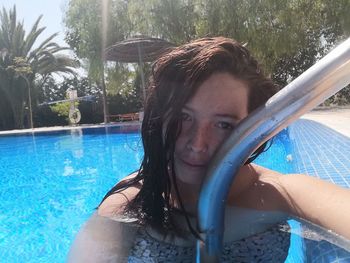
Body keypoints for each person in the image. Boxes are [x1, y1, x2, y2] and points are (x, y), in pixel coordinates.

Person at [70, 37, 350, 262]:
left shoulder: (280, 193)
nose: (197, 142)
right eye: (183, 117)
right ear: (161, 118)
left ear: (252, 129)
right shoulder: (129, 205)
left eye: (224, 125)